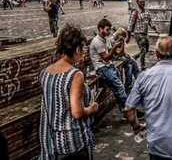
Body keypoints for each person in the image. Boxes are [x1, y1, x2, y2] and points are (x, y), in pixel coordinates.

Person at [39, 23, 99, 160]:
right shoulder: (75, 75)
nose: (83, 54)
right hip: (73, 142)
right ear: (78, 49)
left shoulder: (45, 73)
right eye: (83, 50)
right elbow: (77, 113)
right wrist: (92, 108)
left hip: (54, 142)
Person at [89, 18, 128, 115]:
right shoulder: (97, 41)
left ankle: (125, 112)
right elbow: (106, 57)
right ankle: (129, 111)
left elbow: (118, 53)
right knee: (120, 88)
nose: (109, 32)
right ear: (100, 29)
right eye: (107, 29)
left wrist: (121, 43)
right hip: (102, 68)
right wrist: (115, 47)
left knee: (119, 88)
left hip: (109, 66)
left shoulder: (106, 39)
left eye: (110, 29)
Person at [127, 0, 160, 70]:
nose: (142, 3)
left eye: (143, 2)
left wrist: (156, 30)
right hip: (138, 34)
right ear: (138, 3)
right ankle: (143, 66)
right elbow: (130, 25)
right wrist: (128, 37)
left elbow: (151, 23)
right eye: (140, 2)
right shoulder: (135, 12)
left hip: (145, 33)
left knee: (146, 50)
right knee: (143, 50)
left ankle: (133, 58)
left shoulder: (147, 12)